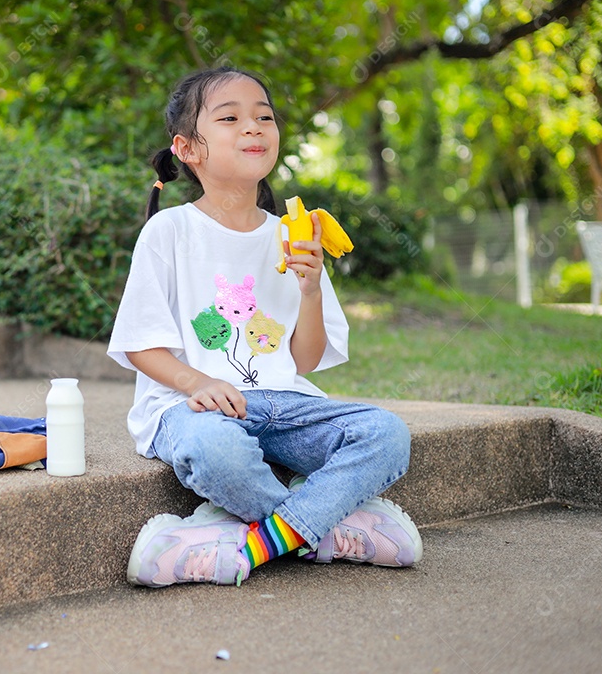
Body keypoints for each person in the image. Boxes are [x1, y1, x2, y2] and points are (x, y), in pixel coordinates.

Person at [107, 66, 422, 588]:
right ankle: (325, 529)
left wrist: (311, 289)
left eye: (264, 117)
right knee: (218, 452)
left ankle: (254, 541)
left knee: (385, 434)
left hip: (284, 403)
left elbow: (304, 361)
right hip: (191, 408)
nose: (253, 127)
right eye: (230, 118)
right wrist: (199, 382)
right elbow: (141, 346)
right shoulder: (170, 231)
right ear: (188, 149)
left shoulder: (291, 236)